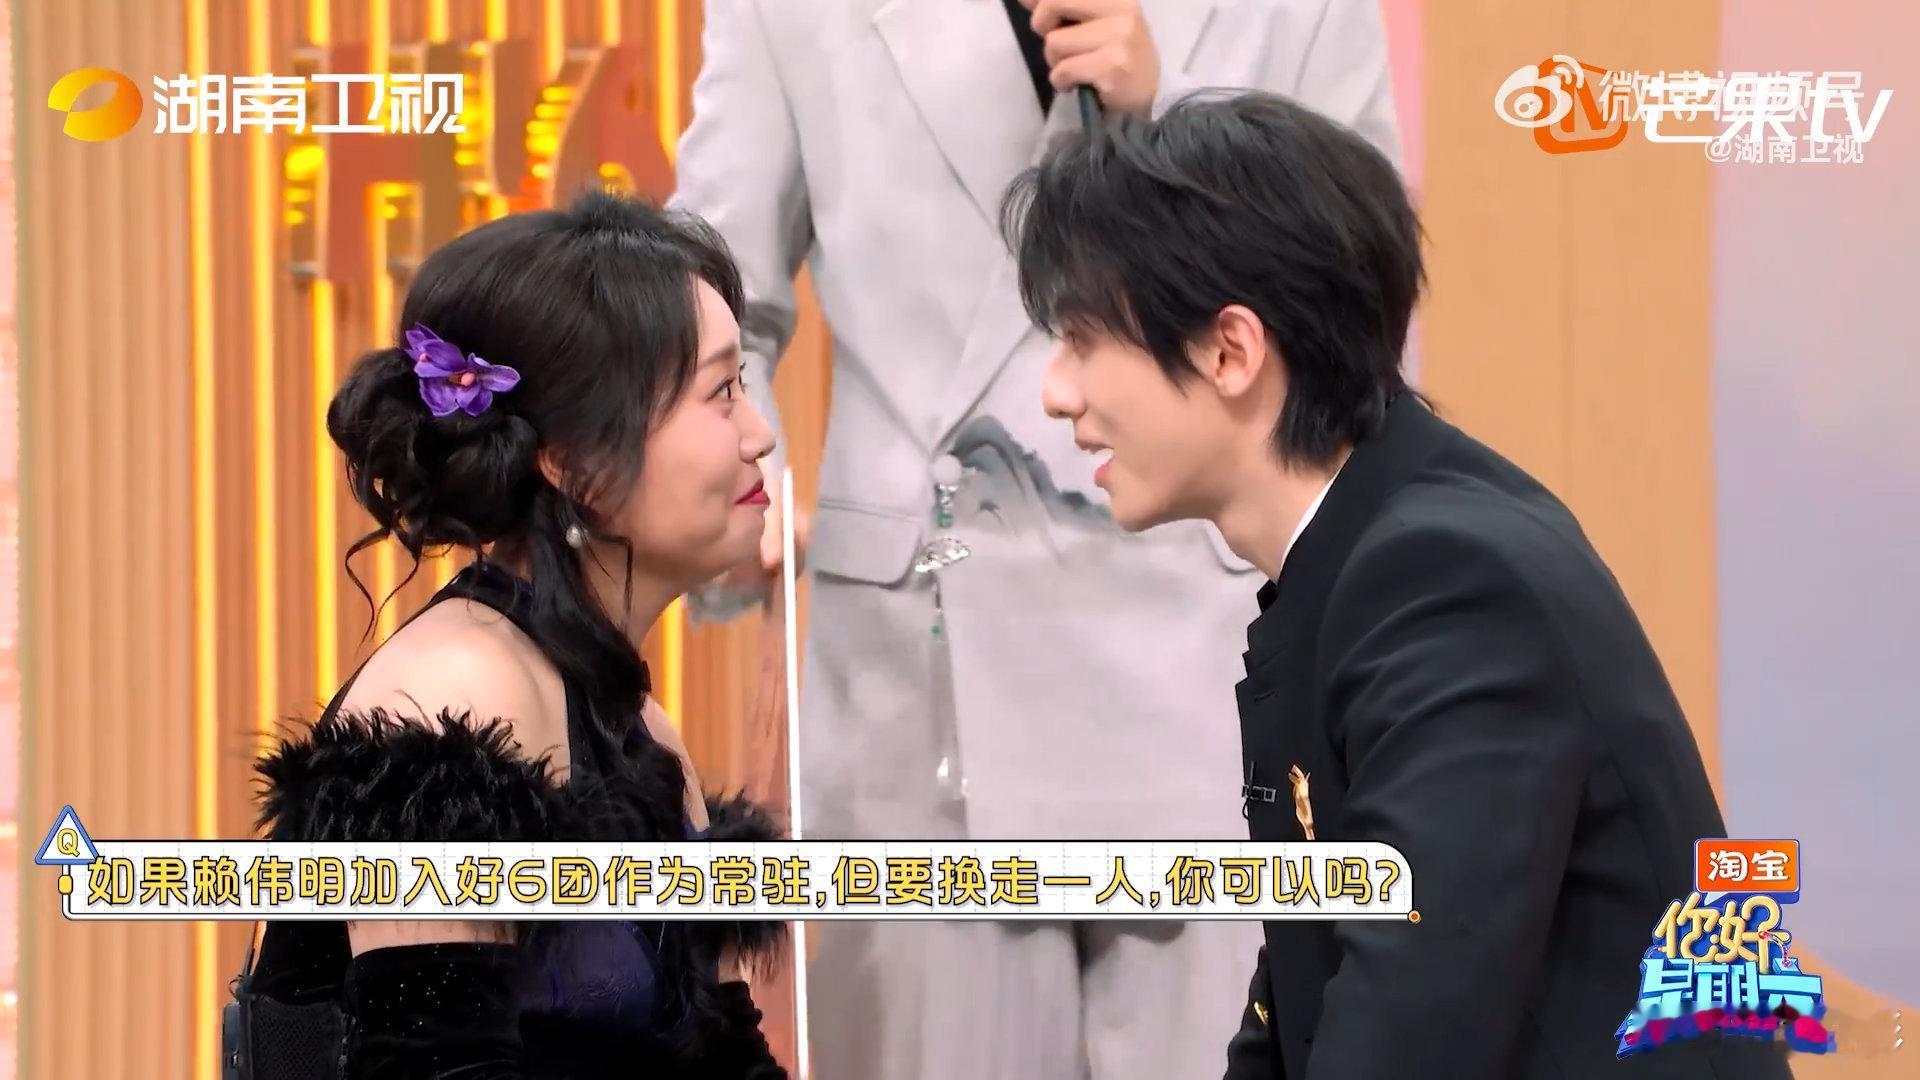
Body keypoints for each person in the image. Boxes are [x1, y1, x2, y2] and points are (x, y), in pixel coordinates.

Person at [1004, 92, 1800, 1079]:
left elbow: (1408, 1025)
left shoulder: (1448, 585)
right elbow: (1305, 1004)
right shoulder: (1368, 553)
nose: (1056, 392)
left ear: (1230, 351)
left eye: (1083, 340)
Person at [669, 1, 1400, 1076]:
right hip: (919, 663)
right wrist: (738, 475)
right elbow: (712, 287)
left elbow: (1363, 286)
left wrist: (1172, 120)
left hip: (1212, 638)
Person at [232, 190, 790, 1079]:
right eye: (721, 392)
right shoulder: (451, 697)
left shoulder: (645, 735)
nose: (760, 437)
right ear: (572, 462)